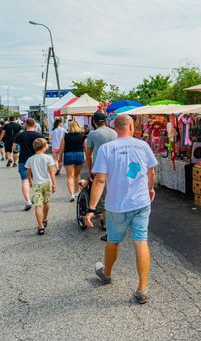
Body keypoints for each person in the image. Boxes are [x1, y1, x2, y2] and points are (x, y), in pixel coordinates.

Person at [85, 114, 157, 304]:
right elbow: (151, 171)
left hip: (117, 206)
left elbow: (99, 180)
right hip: (141, 203)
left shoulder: (106, 149)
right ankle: (142, 288)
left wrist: (91, 208)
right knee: (141, 241)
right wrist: (150, 188)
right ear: (131, 127)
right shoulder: (143, 145)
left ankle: (107, 274)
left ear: (115, 129)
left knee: (113, 241)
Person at [85, 111, 117, 241]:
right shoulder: (114, 132)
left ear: (93, 121)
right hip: (115, 166)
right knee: (112, 193)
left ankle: (107, 224)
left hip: (100, 167)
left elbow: (88, 154)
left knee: (103, 196)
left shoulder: (92, 134)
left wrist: (90, 169)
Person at [25, 138, 57, 235]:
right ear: (44, 147)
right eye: (46, 144)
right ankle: (44, 219)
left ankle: (41, 227)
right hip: (46, 183)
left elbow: (28, 172)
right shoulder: (48, 158)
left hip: (36, 184)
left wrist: (30, 181)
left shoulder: (30, 159)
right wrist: (54, 184)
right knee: (46, 202)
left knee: (38, 205)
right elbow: (51, 173)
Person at [13, 118, 44, 210]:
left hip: (23, 160)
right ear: (35, 124)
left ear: (26, 124)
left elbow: (14, 148)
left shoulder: (20, 135)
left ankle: (28, 201)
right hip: (37, 160)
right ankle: (36, 197)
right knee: (37, 179)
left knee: (25, 180)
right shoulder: (39, 135)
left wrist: (18, 150)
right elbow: (44, 148)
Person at [59, 120, 86, 202]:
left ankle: (71, 195)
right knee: (77, 175)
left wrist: (60, 158)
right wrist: (87, 158)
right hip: (79, 155)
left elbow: (61, 149)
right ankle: (77, 192)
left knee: (70, 176)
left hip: (68, 155)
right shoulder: (82, 136)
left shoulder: (65, 136)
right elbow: (85, 148)